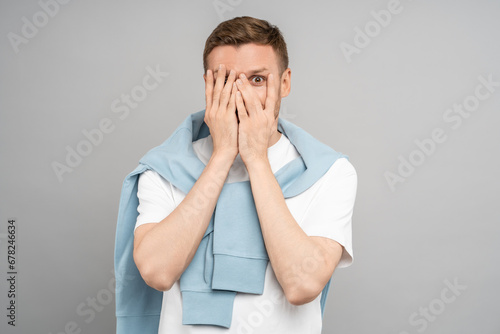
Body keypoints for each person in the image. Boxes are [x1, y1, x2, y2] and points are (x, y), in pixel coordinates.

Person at [114, 16, 357, 334]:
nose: (240, 96)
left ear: (284, 83)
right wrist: (222, 156)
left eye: (257, 80)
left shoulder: (330, 173)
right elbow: (157, 272)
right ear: (207, 84)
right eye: (225, 80)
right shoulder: (164, 169)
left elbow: (303, 284)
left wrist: (256, 159)